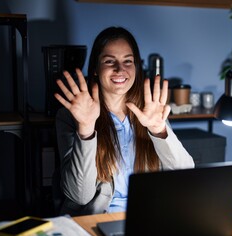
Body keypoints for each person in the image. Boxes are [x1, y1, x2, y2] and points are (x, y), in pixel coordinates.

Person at [54, 26, 194, 216]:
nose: (120, 69)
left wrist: (159, 130)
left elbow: (185, 175)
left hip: (149, 217)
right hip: (99, 221)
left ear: (136, 66)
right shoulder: (69, 116)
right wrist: (86, 129)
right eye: (110, 61)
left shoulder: (150, 111)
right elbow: (80, 196)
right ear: (95, 68)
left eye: (128, 61)